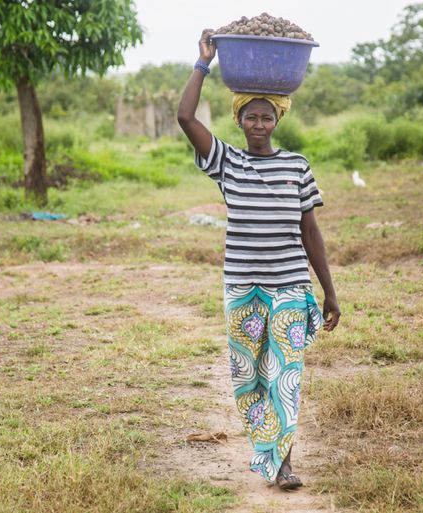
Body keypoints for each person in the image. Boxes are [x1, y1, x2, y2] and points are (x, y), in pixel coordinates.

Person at [177, 29, 340, 491]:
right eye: (251, 116)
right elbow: (184, 115)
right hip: (243, 289)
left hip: (289, 286)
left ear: (277, 121)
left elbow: (311, 231)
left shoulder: (297, 167)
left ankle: (283, 463)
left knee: (286, 377)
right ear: (240, 120)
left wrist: (329, 291)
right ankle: (267, 454)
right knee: (250, 380)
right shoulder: (226, 162)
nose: (259, 124)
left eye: (267, 117)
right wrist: (203, 63)